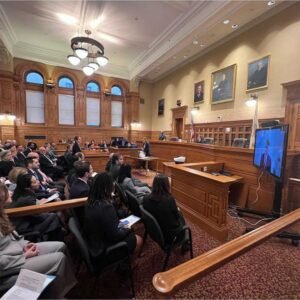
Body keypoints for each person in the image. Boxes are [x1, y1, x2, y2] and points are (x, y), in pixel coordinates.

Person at [0, 183, 77, 298]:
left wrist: (24, 244)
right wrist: (24, 255)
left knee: (60, 246)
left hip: (19, 252)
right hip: (10, 266)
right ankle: (60, 295)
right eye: (7, 191)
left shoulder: (2, 213)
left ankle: (66, 283)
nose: (11, 192)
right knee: (59, 258)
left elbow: (13, 238)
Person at [83, 172, 142, 267]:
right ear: (106, 188)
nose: (113, 188)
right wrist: (127, 227)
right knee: (138, 240)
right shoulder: (105, 206)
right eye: (112, 185)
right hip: (104, 250)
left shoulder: (90, 201)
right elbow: (115, 235)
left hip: (94, 241)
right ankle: (128, 268)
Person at [9, 173, 63, 240]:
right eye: (34, 182)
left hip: (26, 221)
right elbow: (37, 217)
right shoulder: (27, 198)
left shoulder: (21, 193)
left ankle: (57, 236)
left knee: (52, 216)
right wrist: (46, 208)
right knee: (53, 216)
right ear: (27, 187)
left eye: (36, 180)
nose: (38, 182)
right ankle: (58, 239)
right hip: (25, 228)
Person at [143, 174, 187, 244]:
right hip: (169, 235)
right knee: (180, 215)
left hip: (155, 231)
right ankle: (186, 241)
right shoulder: (169, 200)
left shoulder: (145, 199)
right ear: (167, 185)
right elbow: (176, 218)